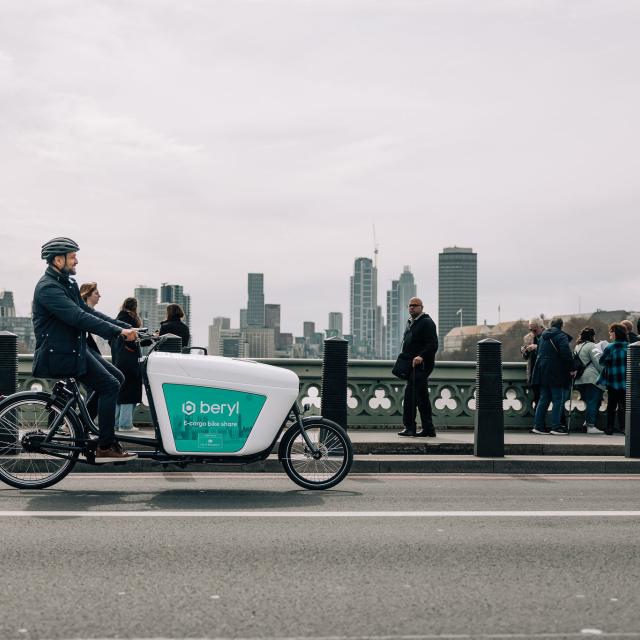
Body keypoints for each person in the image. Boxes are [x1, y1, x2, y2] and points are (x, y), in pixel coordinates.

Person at [32, 237, 138, 462]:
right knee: (109, 385)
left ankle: (81, 426)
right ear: (58, 260)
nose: (76, 261)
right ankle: (105, 444)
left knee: (117, 377)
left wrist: (127, 327)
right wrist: (118, 333)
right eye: (72, 257)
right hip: (59, 354)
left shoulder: (66, 284)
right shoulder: (48, 288)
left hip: (74, 349)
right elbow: (78, 317)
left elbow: (89, 312)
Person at [397, 297, 439, 438]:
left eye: (415, 305)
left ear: (421, 307)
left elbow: (433, 345)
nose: (412, 307)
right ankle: (429, 429)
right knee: (422, 397)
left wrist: (421, 356)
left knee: (410, 395)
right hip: (412, 366)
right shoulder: (411, 323)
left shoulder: (427, 322)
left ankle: (410, 427)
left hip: (422, 366)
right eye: (410, 305)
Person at [531, 317, 576, 435]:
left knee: (543, 399)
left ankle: (538, 426)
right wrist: (572, 368)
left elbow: (538, 353)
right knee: (558, 399)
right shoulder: (561, 336)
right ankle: (556, 426)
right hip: (557, 372)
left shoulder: (542, 337)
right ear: (561, 326)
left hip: (542, 371)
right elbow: (566, 354)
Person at [111, 297, 143, 433]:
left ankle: (117, 423)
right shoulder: (131, 320)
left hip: (119, 359)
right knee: (130, 391)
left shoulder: (118, 319)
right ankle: (125, 424)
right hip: (129, 359)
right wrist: (149, 337)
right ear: (135, 307)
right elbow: (133, 340)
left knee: (120, 391)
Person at [598, 323, 628, 435]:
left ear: (615, 333)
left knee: (611, 406)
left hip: (613, 381)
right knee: (625, 406)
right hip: (626, 381)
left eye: (611, 331)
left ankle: (609, 428)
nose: (609, 333)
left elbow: (602, 362)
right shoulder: (628, 346)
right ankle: (625, 427)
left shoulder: (610, 347)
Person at [573, 327, 604, 434]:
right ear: (592, 336)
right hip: (591, 378)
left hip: (580, 379)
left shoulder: (577, 346)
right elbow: (598, 362)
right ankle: (591, 426)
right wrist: (605, 373)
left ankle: (587, 422)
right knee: (593, 402)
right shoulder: (592, 346)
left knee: (588, 401)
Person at [79, 281, 101, 420]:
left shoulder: (90, 312)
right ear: (87, 295)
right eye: (96, 293)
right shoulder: (83, 312)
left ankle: (80, 422)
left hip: (85, 355)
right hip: (81, 356)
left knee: (93, 390)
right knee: (98, 388)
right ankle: (82, 422)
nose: (100, 295)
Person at [521, 317, 545, 406]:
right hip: (533, 372)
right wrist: (525, 351)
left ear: (541, 327)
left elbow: (551, 352)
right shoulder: (527, 338)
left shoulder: (547, 335)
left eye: (534, 330)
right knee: (536, 399)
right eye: (530, 329)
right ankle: (538, 419)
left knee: (545, 399)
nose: (532, 332)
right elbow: (525, 357)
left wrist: (537, 347)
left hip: (545, 371)